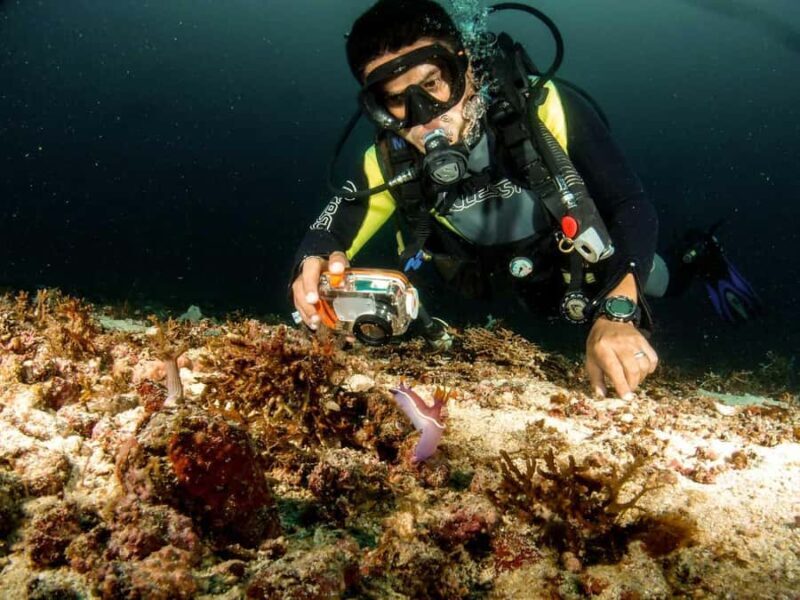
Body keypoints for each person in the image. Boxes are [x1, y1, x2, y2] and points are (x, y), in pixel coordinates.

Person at [290, 0, 659, 401]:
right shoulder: (387, 160)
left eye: (432, 84)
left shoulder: (544, 107)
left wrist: (617, 310)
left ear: (465, 67)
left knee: (654, 275)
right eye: (397, 100)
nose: (425, 117)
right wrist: (311, 262)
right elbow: (328, 230)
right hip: (483, 287)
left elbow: (629, 204)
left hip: (575, 268)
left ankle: (696, 265)